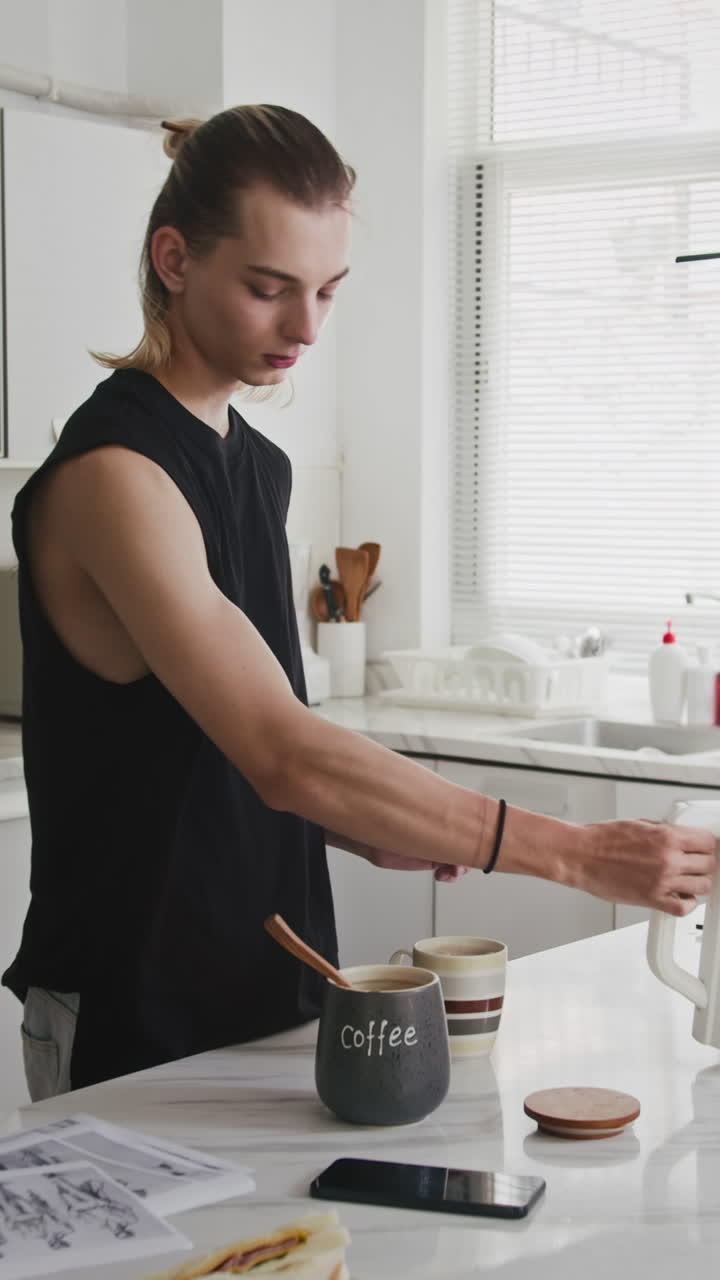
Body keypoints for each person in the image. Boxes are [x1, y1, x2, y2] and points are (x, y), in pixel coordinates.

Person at [4, 104, 715, 1101]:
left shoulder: (256, 467)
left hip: (275, 980)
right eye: (269, 288)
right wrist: (581, 852)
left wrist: (365, 821)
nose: (305, 327)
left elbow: (218, 743)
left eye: (328, 291)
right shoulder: (116, 474)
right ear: (173, 258)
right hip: (134, 995)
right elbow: (282, 752)